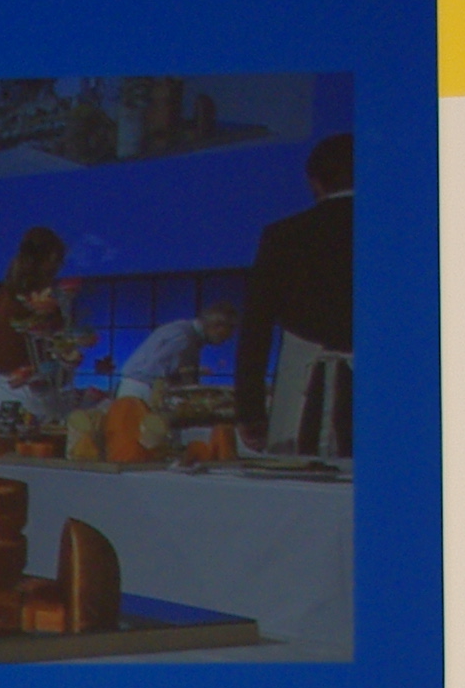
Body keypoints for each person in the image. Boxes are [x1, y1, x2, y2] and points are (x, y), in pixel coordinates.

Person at [235, 130, 353, 455]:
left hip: (302, 395)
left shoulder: (283, 236)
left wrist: (250, 411)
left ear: (315, 183)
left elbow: (256, 330)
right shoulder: (396, 235)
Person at [0, 229, 74, 385]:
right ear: (51, 259)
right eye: (59, 262)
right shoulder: (39, 304)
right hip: (33, 389)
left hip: (2, 387)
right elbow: (57, 349)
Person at [115, 303, 237, 402]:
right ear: (218, 326)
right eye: (230, 329)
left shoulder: (184, 331)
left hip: (141, 388)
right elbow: (157, 370)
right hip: (142, 391)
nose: (230, 336)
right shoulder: (184, 336)